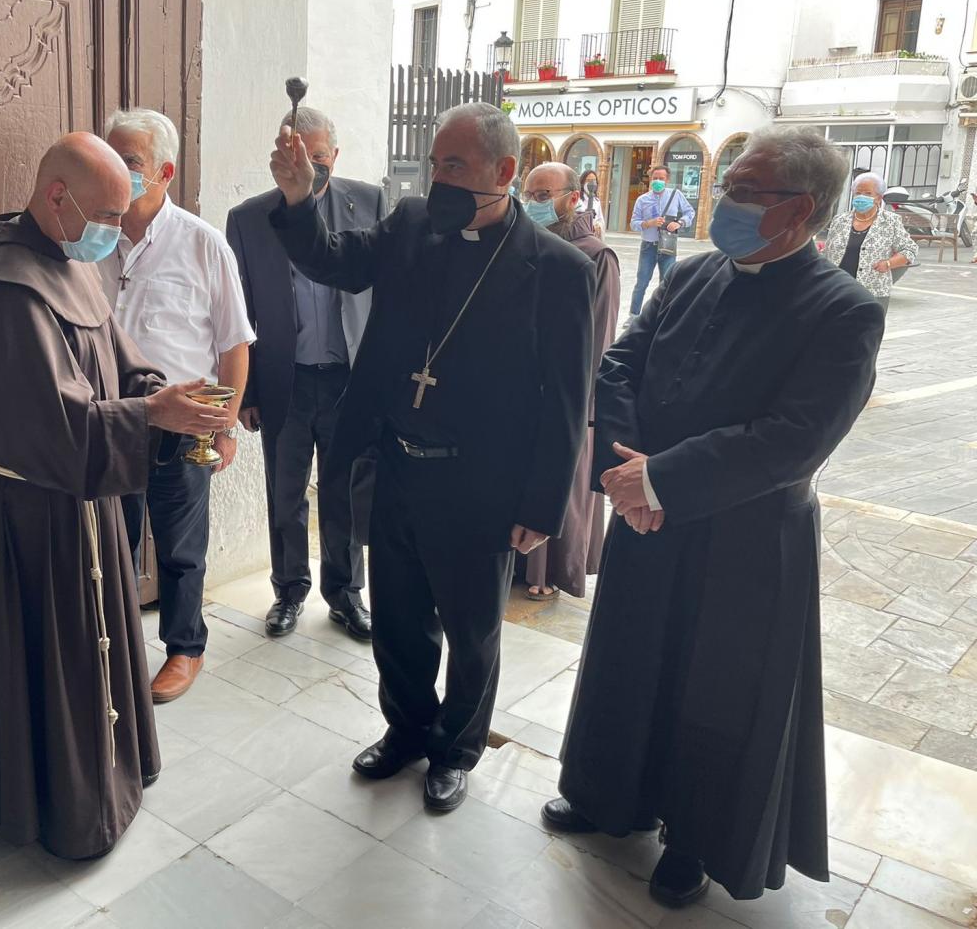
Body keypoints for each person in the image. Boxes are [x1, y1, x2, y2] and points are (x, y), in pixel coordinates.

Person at [545, 128, 885, 907]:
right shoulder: (697, 274)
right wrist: (627, 474)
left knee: (716, 695)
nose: (720, 201)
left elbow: (793, 441)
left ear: (798, 211)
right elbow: (621, 362)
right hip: (646, 514)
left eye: (741, 190)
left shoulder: (845, 311)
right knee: (628, 664)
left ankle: (693, 839)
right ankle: (609, 797)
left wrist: (661, 479)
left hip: (745, 541)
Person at [268, 101, 595, 812]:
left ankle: (456, 749)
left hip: (482, 483)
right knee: (398, 615)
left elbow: (568, 397)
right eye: (433, 162)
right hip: (396, 463)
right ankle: (407, 730)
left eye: (454, 165)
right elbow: (339, 262)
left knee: (473, 632)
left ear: (504, 172)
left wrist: (542, 505)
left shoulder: (559, 270)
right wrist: (298, 201)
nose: (435, 176)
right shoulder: (412, 223)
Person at [0, 133, 233, 859]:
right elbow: (49, 422)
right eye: (105, 215)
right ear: (57, 196)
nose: (115, 232)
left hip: (76, 497)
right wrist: (149, 417)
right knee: (44, 653)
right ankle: (58, 806)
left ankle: (102, 773)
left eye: (122, 216)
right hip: (27, 512)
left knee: (90, 644)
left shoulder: (66, 258)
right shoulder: (6, 287)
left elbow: (112, 360)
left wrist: (157, 393)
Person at [100, 108, 256, 704]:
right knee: (112, 544)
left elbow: (234, 343)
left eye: (129, 162)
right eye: (110, 156)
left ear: (163, 172)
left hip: (185, 427)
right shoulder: (92, 238)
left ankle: (185, 649)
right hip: (114, 422)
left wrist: (225, 428)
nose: (116, 170)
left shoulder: (201, 242)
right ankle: (109, 647)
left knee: (181, 549)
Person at [226, 107, 382, 640]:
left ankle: (346, 595)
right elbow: (239, 311)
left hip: (348, 381)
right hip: (284, 381)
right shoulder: (248, 219)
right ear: (280, 159)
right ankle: (288, 591)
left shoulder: (371, 204)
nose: (310, 172)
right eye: (299, 160)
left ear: (334, 157)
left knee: (344, 492)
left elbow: (384, 299)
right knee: (286, 493)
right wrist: (243, 390)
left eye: (319, 161)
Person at [518, 162, 620, 600]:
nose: (533, 204)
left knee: (561, 476)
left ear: (573, 198)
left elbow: (600, 337)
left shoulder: (596, 256)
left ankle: (551, 571)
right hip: (522, 388)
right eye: (529, 195)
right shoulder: (525, 246)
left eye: (544, 195)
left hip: (568, 392)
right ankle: (519, 567)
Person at [820, 171, 916, 314]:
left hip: (873, 291)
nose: (861, 197)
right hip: (837, 289)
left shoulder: (890, 221)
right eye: (858, 193)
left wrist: (888, 264)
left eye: (868, 193)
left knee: (866, 333)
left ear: (879, 198)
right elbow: (828, 252)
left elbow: (909, 250)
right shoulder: (840, 220)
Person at [629, 165, 695, 316]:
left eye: (661, 178)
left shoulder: (676, 195)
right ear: (650, 179)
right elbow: (634, 223)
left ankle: (662, 316)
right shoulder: (642, 200)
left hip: (668, 246)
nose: (658, 181)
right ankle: (633, 315)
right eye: (655, 178)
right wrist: (648, 223)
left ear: (667, 180)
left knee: (667, 283)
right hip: (648, 246)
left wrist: (680, 223)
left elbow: (690, 212)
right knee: (642, 282)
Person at [575, 167, 606, 237]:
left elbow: (600, 219)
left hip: (593, 236)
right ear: (583, 182)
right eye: (588, 180)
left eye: (594, 180)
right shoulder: (577, 199)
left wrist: (598, 226)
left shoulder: (596, 201)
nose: (591, 183)